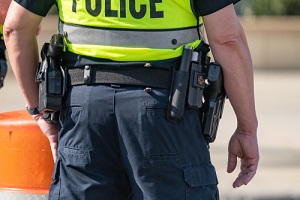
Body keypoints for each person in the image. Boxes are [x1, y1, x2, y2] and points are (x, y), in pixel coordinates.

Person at [4, 0, 259, 199]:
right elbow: (227, 39)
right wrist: (247, 129)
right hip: (167, 116)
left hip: (83, 115)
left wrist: (40, 112)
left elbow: (15, 27)